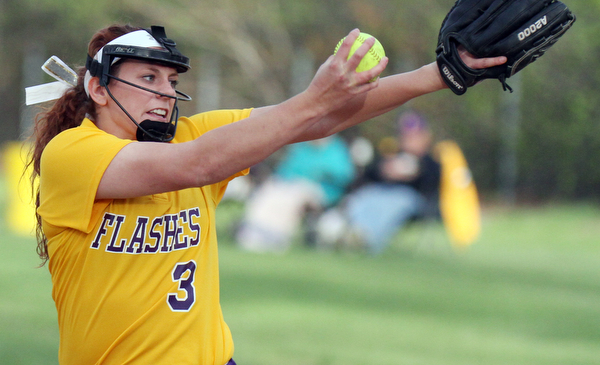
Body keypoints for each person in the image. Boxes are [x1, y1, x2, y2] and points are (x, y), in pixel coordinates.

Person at [27, 23, 506, 365]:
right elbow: (199, 164)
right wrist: (314, 97)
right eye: (148, 79)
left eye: (172, 82)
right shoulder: (72, 153)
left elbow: (316, 120)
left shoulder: (191, 133)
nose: (165, 94)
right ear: (98, 87)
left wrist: (441, 74)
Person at [321, 111, 441, 254]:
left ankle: (365, 238)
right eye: (406, 136)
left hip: (410, 198)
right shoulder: (391, 153)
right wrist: (384, 170)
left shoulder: (431, 162)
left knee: (394, 202)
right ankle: (343, 230)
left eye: (414, 136)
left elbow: (431, 184)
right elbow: (369, 174)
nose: (409, 140)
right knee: (363, 198)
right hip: (380, 191)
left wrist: (415, 172)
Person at [236, 134, 355, 252]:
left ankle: (277, 236)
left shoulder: (337, 149)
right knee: (269, 189)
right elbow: (285, 171)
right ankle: (254, 229)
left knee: (294, 196)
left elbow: (345, 175)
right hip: (291, 184)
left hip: (321, 191)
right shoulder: (302, 147)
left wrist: (322, 172)